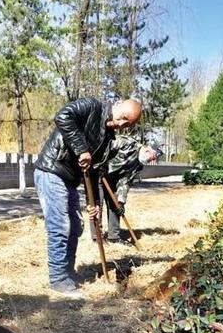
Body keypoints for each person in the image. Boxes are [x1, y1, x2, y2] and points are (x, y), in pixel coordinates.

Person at [34, 97, 142, 299]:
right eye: (123, 118)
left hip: (69, 179)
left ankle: (68, 273)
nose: (121, 124)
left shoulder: (108, 138)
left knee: (75, 226)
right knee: (60, 225)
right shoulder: (93, 106)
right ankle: (58, 279)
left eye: (127, 124)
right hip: (52, 169)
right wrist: (81, 148)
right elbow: (63, 116)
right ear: (118, 104)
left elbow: (93, 170)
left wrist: (93, 204)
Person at [90, 135, 162, 243]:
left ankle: (113, 237)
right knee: (97, 205)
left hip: (113, 181)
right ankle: (97, 238)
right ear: (147, 150)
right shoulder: (126, 143)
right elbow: (104, 146)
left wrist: (121, 201)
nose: (152, 160)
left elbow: (126, 181)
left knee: (115, 206)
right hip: (98, 174)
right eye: (152, 157)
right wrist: (99, 165)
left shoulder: (138, 165)